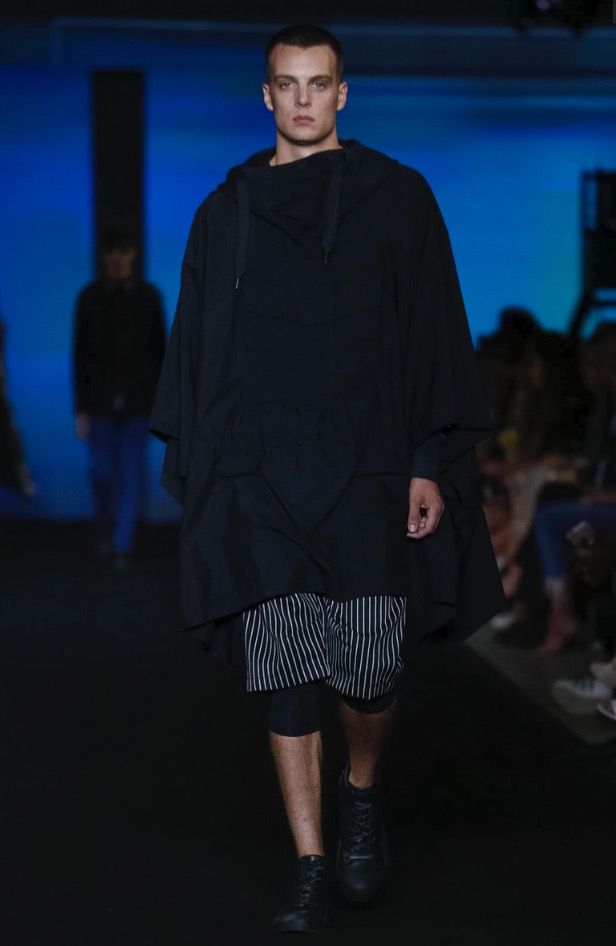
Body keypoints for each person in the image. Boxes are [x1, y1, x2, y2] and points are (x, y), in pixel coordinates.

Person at [151, 24, 503, 933]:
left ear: (343, 93)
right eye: (287, 83)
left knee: (370, 668)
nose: (303, 99)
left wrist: (427, 463)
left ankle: (362, 792)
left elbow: (429, 332)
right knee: (286, 669)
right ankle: (310, 862)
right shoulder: (226, 212)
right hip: (261, 473)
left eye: (318, 83)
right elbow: (203, 351)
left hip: (368, 467)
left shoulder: (398, 199)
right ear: (265, 94)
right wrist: (213, 475)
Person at [73, 229, 166, 571]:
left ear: (133, 254)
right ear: (104, 256)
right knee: (104, 473)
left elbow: (160, 352)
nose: (117, 258)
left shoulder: (148, 297)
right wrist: (81, 409)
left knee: (129, 473)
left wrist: (162, 406)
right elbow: (80, 354)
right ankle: (105, 530)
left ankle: (121, 544)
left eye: (123, 250)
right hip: (99, 404)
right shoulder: (89, 298)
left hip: (138, 404)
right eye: (112, 251)